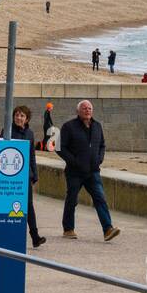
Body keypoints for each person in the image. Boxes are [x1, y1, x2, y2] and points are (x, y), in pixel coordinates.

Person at [57, 100, 120, 242]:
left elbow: (102, 145)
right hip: (74, 172)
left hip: (93, 172)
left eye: (90, 108)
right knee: (72, 200)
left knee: (100, 199)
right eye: (84, 108)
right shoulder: (69, 127)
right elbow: (60, 147)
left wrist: (100, 158)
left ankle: (108, 229)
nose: (87, 110)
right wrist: (73, 162)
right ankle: (68, 229)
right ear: (78, 111)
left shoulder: (97, 126)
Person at [5, 106, 46, 247]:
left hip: (25, 175)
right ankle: (9, 233)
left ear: (26, 119)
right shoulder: (7, 131)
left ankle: (35, 236)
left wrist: (34, 174)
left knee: (28, 206)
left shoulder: (30, 134)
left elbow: (31, 156)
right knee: (9, 205)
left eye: (22, 116)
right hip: (10, 176)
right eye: (16, 115)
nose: (18, 118)